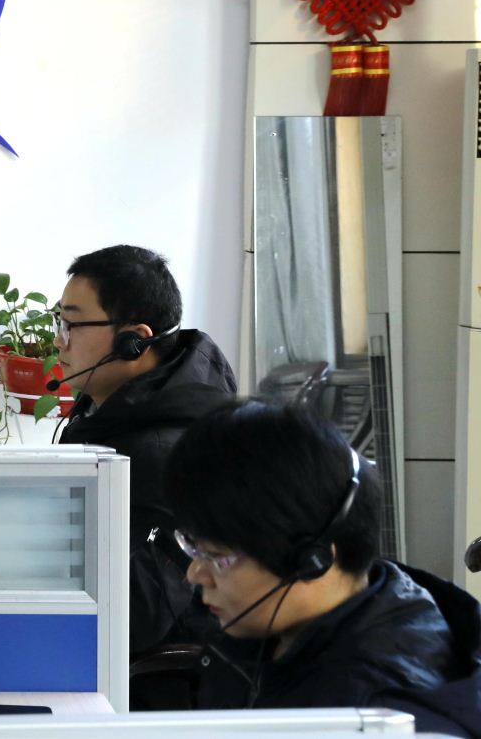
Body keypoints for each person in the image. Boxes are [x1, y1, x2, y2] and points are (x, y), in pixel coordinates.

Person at [165, 402, 481, 727]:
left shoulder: (371, 715)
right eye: (194, 548)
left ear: (311, 560)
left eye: (218, 557)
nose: (194, 574)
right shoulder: (274, 628)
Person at [51, 245, 238, 659]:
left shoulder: (162, 455)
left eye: (71, 324)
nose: (58, 341)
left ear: (133, 342)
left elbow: (137, 616)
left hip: (146, 679)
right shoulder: (113, 416)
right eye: (59, 321)